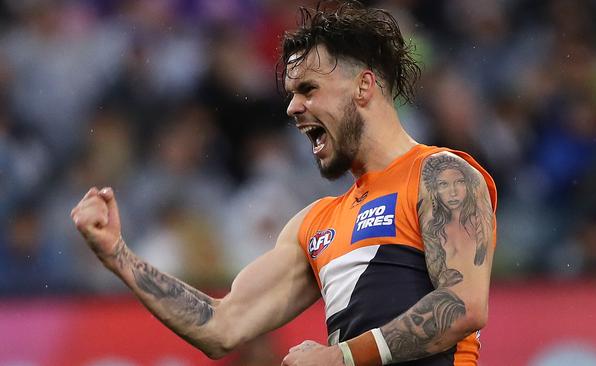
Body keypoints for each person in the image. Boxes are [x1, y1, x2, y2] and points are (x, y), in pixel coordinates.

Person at [70, 1, 497, 365]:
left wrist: (340, 356)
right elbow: (223, 326)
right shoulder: (314, 224)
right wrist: (118, 255)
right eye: (292, 93)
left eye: (308, 89)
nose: (293, 108)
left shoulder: (441, 175)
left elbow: (462, 304)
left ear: (364, 86)